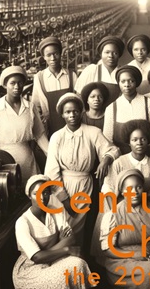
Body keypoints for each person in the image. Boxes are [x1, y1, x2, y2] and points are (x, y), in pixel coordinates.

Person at [44, 93, 120, 241]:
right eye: (67, 112)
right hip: (61, 186)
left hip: (84, 186)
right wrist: (65, 200)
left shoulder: (92, 132)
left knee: (79, 231)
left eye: (75, 111)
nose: (72, 115)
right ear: (62, 115)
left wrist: (106, 159)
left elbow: (114, 150)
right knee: (61, 228)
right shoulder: (57, 137)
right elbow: (51, 171)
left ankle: (80, 260)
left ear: (81, 112)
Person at [12, 174, 95, 289]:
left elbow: (71, 239)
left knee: (79, 264)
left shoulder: (55, 211)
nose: (41, 197)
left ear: (50, 193)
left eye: (45, 192)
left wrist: (47, 252)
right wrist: (65, 248)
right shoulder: (22, 222)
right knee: (61, 278)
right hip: (30, 269)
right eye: (36, 193)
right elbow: (36, 257)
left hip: (53, 259)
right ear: (29, 196)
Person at [0, 66, 48, 185]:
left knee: (33, 194)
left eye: (20, 83)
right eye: (12, 83)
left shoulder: (30, 107)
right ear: (4, 85)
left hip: (28, 161)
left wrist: (51, 155)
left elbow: (39, 135)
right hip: (6, 165)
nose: (16, 87)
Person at [102, 119, 150, 207]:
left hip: (144, 208)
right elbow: (108, 191)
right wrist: (115, 212)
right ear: (129, 142)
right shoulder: (118, 163)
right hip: (118, 207)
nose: (139, 143)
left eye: (143, 139)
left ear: (148, 141)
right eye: (134, 140)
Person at [103, 65, 150, 154]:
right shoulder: (112, 108)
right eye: (123, 81)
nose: (127, 85)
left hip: (145, 155)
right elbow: (107, 140)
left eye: (131, 81)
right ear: (118, 83)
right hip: (120, 156)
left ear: (136, 83)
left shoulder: (148, 103)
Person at [32, 36, 77, 137]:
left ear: (61, 54)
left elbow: (79, 102)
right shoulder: (39, 78)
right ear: (43, 57)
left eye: (56, 54)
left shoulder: (71, 75)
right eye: (48, 55)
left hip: (72, 124)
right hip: (50, 127)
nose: (53, 58)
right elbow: (36, 106)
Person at [74, 36, 124, 106]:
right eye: (107, 52)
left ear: (119, 55)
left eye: (115, 53)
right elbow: (79, 96)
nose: (110, 56)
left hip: (116, 114)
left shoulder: (123, 73)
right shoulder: (92, 70)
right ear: (101, 54)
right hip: (93, 115)